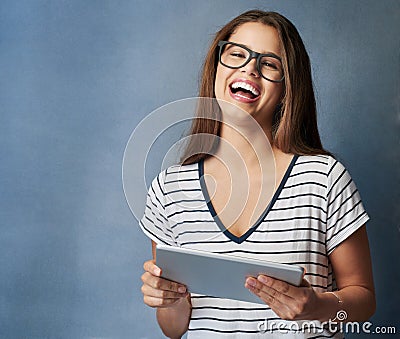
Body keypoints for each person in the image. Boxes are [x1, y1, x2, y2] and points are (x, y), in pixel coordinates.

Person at [140, 10, 375, 338]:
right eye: (236, 54)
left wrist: (316, 307)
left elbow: (363, 299)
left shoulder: (324, 178)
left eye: (269, 63)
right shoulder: (169, 188)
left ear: (287, 87)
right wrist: (168, 302)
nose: (249, 67)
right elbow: (174, 329)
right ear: (216, 67)